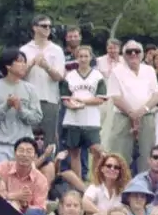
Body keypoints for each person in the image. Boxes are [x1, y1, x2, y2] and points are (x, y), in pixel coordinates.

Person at [0, 49, 43, 166]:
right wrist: (6, 106)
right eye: (20, 61)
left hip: (24, 147)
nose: (24, 65)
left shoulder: (30, 89)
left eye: (25, 62)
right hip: (0, 146)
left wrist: (20, 109)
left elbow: (37, 117)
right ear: (8, 66)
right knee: (0, 182)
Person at [61, 45, 106, 180]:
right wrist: (71, 105)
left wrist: (82, 101)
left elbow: (100, 99)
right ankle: (78, 184)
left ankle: (95, 181)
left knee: (97, 151)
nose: (83, 59)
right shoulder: (70, 76)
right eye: (80, 56)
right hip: (73, 120)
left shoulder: (98, 76)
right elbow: (65, 98)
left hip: (91, 120)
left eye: (86, 56)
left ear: (91, 57)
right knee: (74, 153)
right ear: (76, 58)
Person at [20, 16, 67, 144]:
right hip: (28, 100)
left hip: (49, 99)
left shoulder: (56, 50)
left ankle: (48, 163)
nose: (48, 29)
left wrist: (46, 66)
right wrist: (31, 64)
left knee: (48, 139)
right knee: (27, 138)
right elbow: (19, 75)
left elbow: (59, 77)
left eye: (50, 26)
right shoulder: (24, 49)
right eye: (44, 26)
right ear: (35, 28)